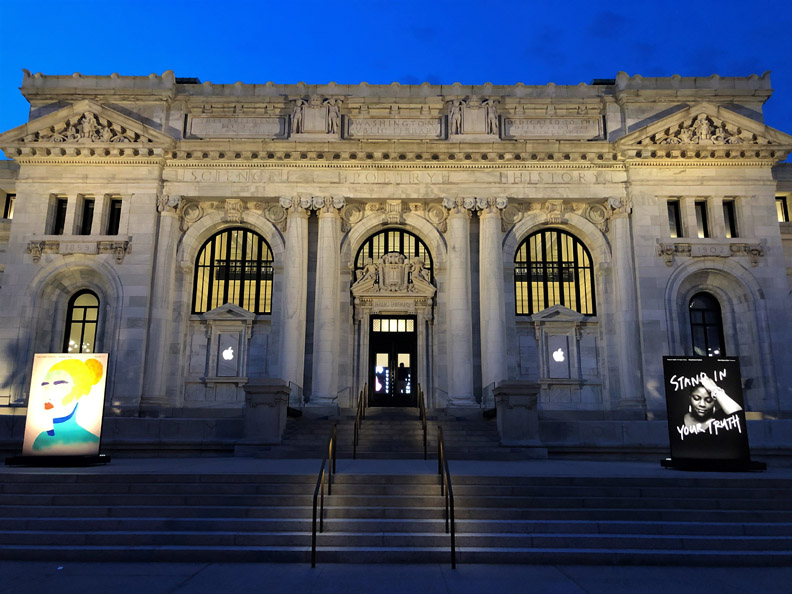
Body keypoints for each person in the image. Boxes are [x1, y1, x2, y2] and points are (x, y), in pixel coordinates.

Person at [32, 358, 104, 453]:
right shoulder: (41, 439)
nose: (48, 395)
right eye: (45, 386)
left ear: (80, 391)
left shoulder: (91, 441)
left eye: (60, 387)